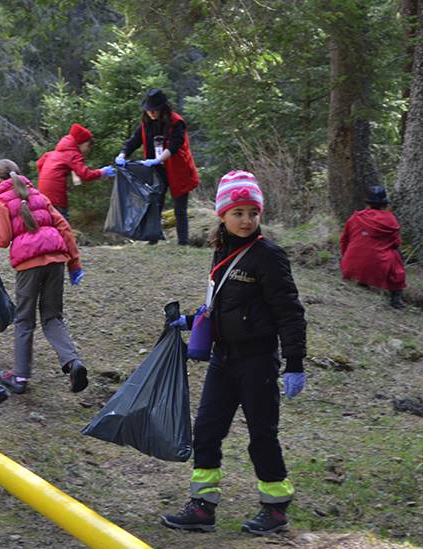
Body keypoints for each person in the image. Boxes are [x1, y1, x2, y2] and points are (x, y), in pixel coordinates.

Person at [161, 170, 307, 535]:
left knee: (262, 434)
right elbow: (223, 306)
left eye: (252, 213)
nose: (246, 220)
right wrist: (193, 322)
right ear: (222, 215)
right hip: (223, 358)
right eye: (238, 212)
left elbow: (289, 311)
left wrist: (294, 364)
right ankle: (202, 507)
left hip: (258, 359)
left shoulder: (268, 256)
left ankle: (274, 509)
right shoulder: (222, 252)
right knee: (207, 431)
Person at [0, 159, 88, 395]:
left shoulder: (1, 202)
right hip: (56, 261)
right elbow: (63, 227)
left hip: (29, 266)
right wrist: (74, 264)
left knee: (24, 320)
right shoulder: (38, 195)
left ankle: (20, 376)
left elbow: (2, 238)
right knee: (52, 318)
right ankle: (73, 362)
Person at [115, 88, 199, 245]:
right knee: (155, 203)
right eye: (149, 110)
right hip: (158, 170)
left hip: (178, 170)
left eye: (155, 110)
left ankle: (183, 243)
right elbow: (134, 140)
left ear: (162, 108)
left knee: (179, 208)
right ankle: (152, 239)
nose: (151, 113)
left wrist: (158, 159)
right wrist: (122, 154)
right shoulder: (146, 124)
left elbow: (175, 145)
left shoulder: (176, 122)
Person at [340, 186, 407, 309]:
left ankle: (361, 280)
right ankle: (396, 298)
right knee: (396, 256)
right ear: (384, 204)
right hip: (377, 267)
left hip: (350, 266)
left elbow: (344, 240)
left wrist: (345, 259)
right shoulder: (390, 219)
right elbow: (396, 243)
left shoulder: (355, 217)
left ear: (367, 203)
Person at [36, 123, 116, 221]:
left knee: (49, 221)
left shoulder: (54, 153)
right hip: (56, 196)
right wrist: (102, 172)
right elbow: (85, 175)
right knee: (62, 223)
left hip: (42, 193)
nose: (88, 150)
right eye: (88, 146)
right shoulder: (73, 154)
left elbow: (39, 164)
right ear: (80, 143)